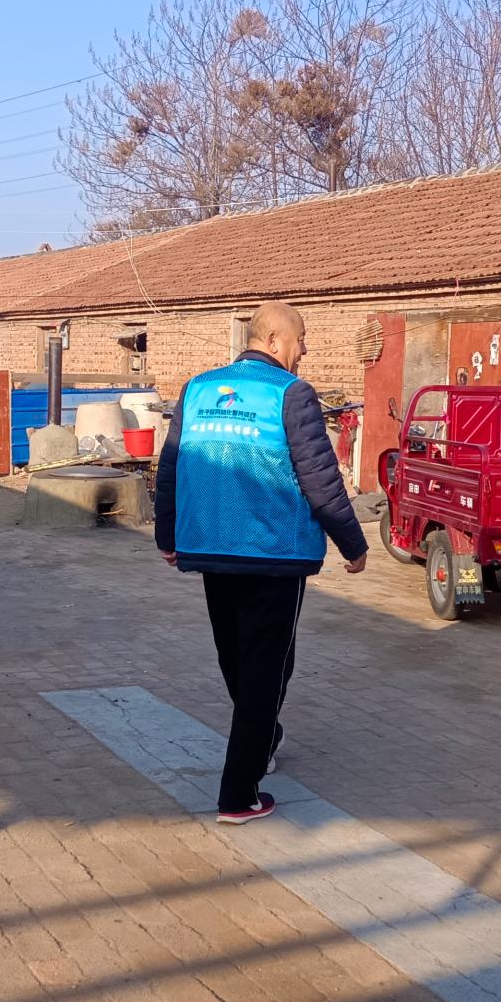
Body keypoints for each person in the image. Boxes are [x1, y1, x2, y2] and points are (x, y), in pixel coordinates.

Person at [154, 302, 369, 824]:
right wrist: (353, 544)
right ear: (274, 340)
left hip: (211, 548)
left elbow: (171, 466)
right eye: (301, 339)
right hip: (274, 554)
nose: (304, 350)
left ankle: (263, 738)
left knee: (236, 656)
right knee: (265, 668)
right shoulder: (291, 394)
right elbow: (321, 481)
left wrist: (167, 533)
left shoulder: (198, 389)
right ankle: (239, 793)